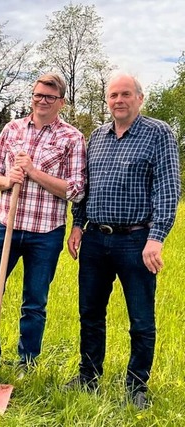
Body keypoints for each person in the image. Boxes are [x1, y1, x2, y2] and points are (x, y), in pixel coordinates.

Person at [66, 73, 180, 409]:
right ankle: (88, 376)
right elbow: (85, 187)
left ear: (139, 99)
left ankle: (137, 386)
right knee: (89, 312)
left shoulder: (158, 133)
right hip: (95, 239)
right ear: (107, 100)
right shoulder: (97, 137)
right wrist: (77, 224)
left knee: (141, 318)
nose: (119, 100)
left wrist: (156, 238)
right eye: (113, 95)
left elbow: (168, 188)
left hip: (137, 240)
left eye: (126, 94)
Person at [0, 73, 86, 378]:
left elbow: (75, 189)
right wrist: (6, 180)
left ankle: (27, 364)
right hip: (5, 225)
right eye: (38, 95)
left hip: (45, 233)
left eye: (49, 97)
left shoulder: (72, 138)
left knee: (34, 303)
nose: (42, 101)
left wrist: (33, 172)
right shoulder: (13, 129)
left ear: (61, 102)